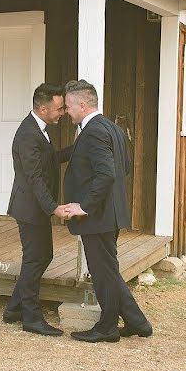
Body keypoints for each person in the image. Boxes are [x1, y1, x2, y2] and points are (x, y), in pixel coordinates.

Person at [57, 80, 153, 343]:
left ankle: (107, 327)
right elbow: (125, 166)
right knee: (107, 270)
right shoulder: (110, 128)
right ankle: (137, 322)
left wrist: (84, 206)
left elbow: (107, 174)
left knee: (102, 272)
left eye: (68, 106)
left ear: (82, 104)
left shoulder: (95, 132)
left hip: (97, 216)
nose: (66, 112)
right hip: (108, 214)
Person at [3, 83, 67, 336]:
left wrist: (77, 149)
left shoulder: (38, 128)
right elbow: (34, 177)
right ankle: (31, 318)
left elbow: (49, 159)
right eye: (58, 108)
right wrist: (54, 208)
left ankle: (14, 308)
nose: (62, 112)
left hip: (36, 206)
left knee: (43, 256)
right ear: (43, 108)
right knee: (34, 259)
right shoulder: (29, 134)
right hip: (30, 207)